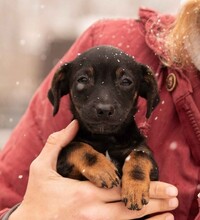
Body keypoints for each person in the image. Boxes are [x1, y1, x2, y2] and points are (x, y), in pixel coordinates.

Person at [0, 0, 199, 219]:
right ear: (62, 88)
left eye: (124, 82)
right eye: (84, 80)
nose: (104, 104)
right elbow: (7, 193)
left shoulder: (136, 149)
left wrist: (137, 172)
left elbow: (142, 157)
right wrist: (28, 216)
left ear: (146, 92)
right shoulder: (108, 38)